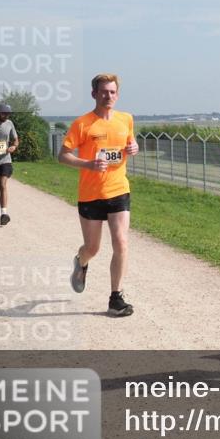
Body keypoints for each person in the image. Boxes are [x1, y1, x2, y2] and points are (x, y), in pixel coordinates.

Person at [58, 74, 139, 317]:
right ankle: (81, 262)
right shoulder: (83, 124)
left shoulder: (126, 119)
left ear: (118, 94)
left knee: (121, 242)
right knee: (92, 248)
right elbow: (63, 155)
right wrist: (88, 164)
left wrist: (134, 148)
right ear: (94, 94)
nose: (108, 96)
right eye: (104, 92)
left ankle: (116, 298)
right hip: (91, 194)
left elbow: (129, 143)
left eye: (112, 92)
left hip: (118, 190)